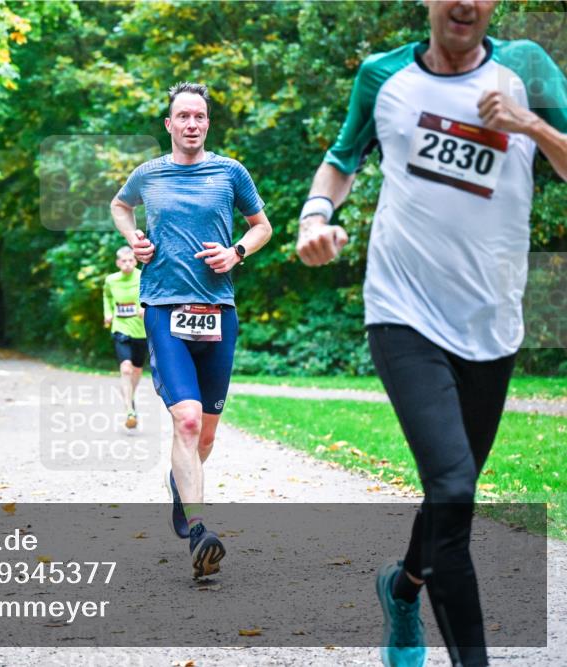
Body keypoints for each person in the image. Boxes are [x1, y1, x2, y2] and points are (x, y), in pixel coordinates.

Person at [295, 2, 566, 666]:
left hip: (491, 324)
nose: (464, 3)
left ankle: (403, 585)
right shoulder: (381, 77)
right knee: (451, 490)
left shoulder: (526, 68)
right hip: (402, 311)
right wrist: (315, 215)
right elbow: (340, 158)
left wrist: (529, 123)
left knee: (455, 487)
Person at [111, 81, 272, 578]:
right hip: (162, 307)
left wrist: (237, 252)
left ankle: (181, 483)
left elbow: (262, 225)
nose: (192, 124)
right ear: (169, 124)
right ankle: (200, 533)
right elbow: (121, 206)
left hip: (218, 311)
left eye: (199, 116)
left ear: (207, 122)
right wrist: (134, 238)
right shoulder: (149, 174)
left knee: (204, 435)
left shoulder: (230, 172)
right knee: (185, 420)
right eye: (183, 116)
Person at [102, 246, 148, 430]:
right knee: (126, 369)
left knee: (137, 370)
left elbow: (152, 294)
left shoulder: (142, 276)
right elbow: (106, 297)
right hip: (120, 328)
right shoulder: (111, 280)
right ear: (117, 263)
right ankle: (129, 410)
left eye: (130, 260)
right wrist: (108, 312)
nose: (127, 264)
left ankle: (130, 397)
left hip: (141, 330)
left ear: (135, 261)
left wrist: (145, 306)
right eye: (123, 261)